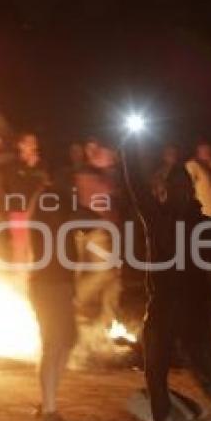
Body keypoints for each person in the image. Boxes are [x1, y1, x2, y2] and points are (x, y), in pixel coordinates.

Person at [122, 142, 211, 421]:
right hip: (193, 304)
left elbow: (136, 187)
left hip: (164, 303)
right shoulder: (206, 225)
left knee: (155, 368)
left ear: (166, 190)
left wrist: (128, 147)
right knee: (199, 361)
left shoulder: (156, 217)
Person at [28, 187, 82, 421]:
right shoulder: (52, 215)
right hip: (49, 285)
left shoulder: (56, 215)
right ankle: (49, 413)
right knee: (54, 343)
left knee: (68, 340)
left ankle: (46, 403)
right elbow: (82, 218)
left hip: (58, 284)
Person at [73, 138, 122, 323]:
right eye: (108, 154)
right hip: (93, 230)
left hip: (102, 229)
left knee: (114, 276)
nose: (112, 158)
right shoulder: (87, 172)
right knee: (105, 273)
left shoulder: (102, 173)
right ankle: (76, 300)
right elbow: (102, 193)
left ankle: (108, 321)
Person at [3, 133, 50, 267]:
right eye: (30, 142)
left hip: (37, 213)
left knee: (34, 249)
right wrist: (29, 168)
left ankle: (31, 281)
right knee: (19, 249)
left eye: (35, 143)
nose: (34, 146)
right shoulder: (13, 166)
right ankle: (19, 280)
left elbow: (43, 186)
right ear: (20, 145)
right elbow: (16, 189)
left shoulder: (41, 165)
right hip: (19, 213)